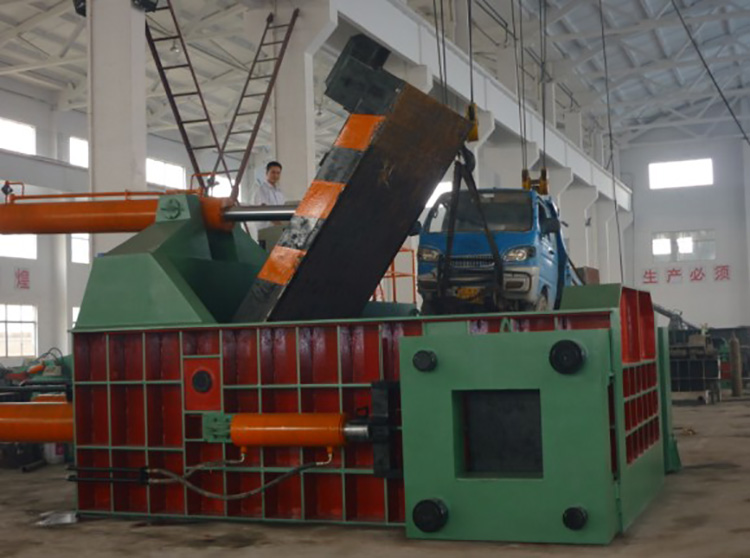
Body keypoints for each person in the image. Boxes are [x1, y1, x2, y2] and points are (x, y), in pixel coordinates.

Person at [251, 161, 285, 230]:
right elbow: (264, 208)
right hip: (265, 229)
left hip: (277, 229)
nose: (275, 175)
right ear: (267, 173)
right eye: (273, 172)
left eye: (278, 173)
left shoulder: (279, 192)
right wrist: (279, 225)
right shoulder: (261, 190)